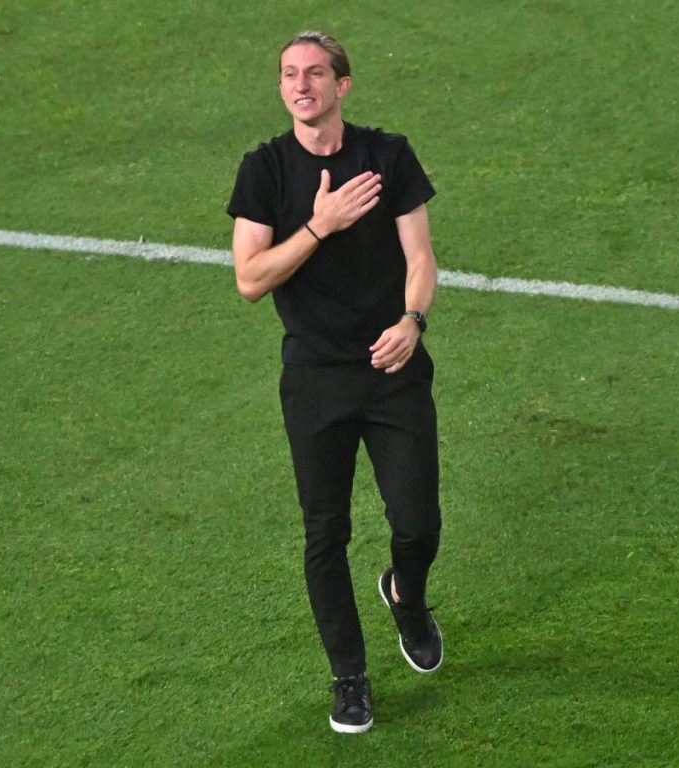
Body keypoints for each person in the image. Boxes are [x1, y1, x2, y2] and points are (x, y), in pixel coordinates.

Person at [227, 30, 443, 734]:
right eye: (289, 74)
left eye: (316, 73)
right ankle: (350, 680)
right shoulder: (264, 172)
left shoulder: (388, 156)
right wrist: (319, 226)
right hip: (316, 379)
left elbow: (421, 255)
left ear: (343, 85)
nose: (301, 85)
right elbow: (250, 280)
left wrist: (413, 320)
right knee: (326, 534)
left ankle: (406, 595)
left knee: (417, 523)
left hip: (393, 371)